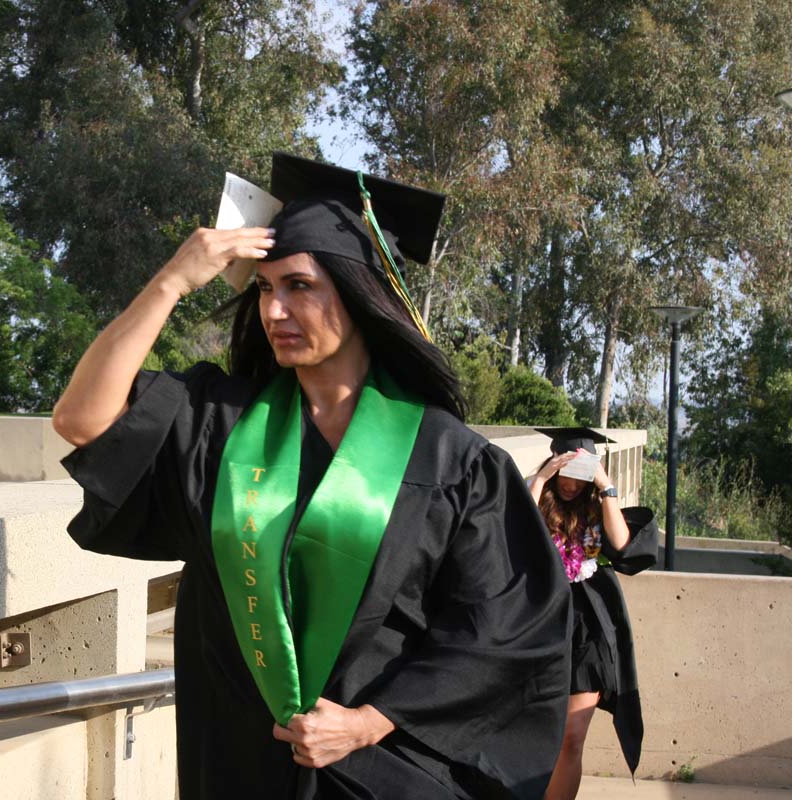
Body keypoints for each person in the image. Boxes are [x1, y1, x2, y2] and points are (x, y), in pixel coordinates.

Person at [53, 152, 572, 800]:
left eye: (299, 286)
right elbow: (81, 419)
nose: (274, 311)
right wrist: (172, 282)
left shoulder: (450, 461)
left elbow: (503, 627)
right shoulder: (219, 424)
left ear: (357, 294)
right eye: (264, 288)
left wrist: (368, 722)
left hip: (380, 770)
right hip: (239, 765)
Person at [528, 428, 658, 800]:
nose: (572, 484)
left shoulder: (596, 508)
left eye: (580, 476)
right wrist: (541, 478)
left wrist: (606, 486)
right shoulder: (539, 499)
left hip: (588, 631)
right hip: (539, 624)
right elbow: (516, 527)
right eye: (566, 474)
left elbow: (621, 544)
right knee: (538, 734)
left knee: (572, 737)